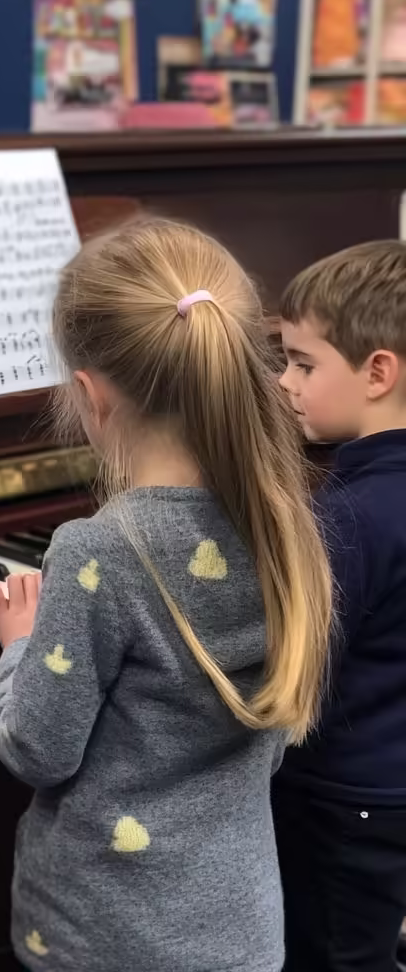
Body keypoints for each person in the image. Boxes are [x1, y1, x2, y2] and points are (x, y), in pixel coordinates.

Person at [0, 217, 332, 971]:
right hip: (239, 931)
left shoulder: (98, 552)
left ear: (90, 394)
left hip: (102, 940)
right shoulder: (282, 524)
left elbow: (37, 748)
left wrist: (17, 650)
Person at [276, 241, 406, 972]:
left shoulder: (351, 516)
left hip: (339, 801)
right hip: (390, 789)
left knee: (331, 954)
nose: (282, 380)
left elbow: (298, 672)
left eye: (302, 363)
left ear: (377, 372)